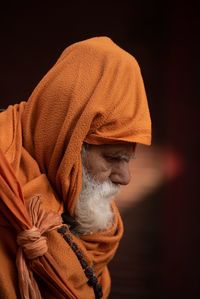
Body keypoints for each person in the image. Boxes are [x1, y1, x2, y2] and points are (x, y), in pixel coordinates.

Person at [0, 36, 151, 299]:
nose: (125, 178)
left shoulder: (86, 221)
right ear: (65, 142)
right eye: (113, 157)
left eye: (127, 160)